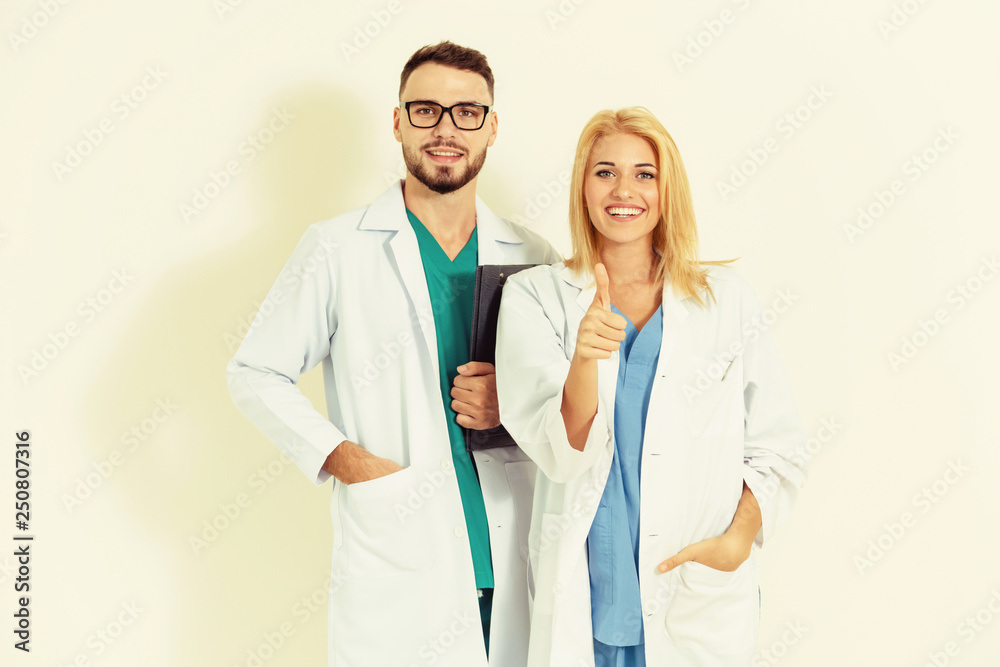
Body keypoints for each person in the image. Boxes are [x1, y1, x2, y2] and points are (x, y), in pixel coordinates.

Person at [226, 41, 559, 666]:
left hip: (511, 540)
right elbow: (254, 372)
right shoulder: (337, 248)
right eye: (426, 109)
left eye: (466, 112)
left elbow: (565, 404)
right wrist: (345, 459)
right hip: (399, 541)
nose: (445, 129)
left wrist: (509, 403)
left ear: (492, 127)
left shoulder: (534, 254)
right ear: (399, 120)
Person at [494, 107, 807, 666]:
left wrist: (735, 543)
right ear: (583, 187)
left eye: (645, 173)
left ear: (668, 188)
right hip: (588, 593)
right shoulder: (536, 296)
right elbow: (557, 452)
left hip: (694, 593)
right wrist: (585, 359)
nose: (624, 190)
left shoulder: (725, 300)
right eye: (604, 171)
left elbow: (777, 446)